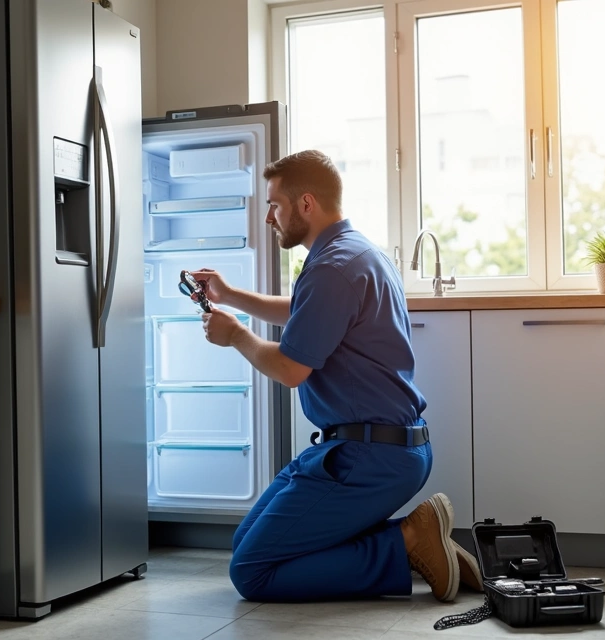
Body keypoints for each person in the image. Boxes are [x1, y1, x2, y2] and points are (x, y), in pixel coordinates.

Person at [190, 149, 483, 604]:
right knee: (246, 543)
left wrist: (236, 336)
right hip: (376, 445)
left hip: (368, 457)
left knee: (252, 570)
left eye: (275, 205)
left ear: (306, 204)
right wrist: (230, 295)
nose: (270, 217)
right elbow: (307, 313)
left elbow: (290, 369)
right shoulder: (356, 252)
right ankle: (420, 540)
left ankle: (407, 542)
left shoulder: (331, 267)